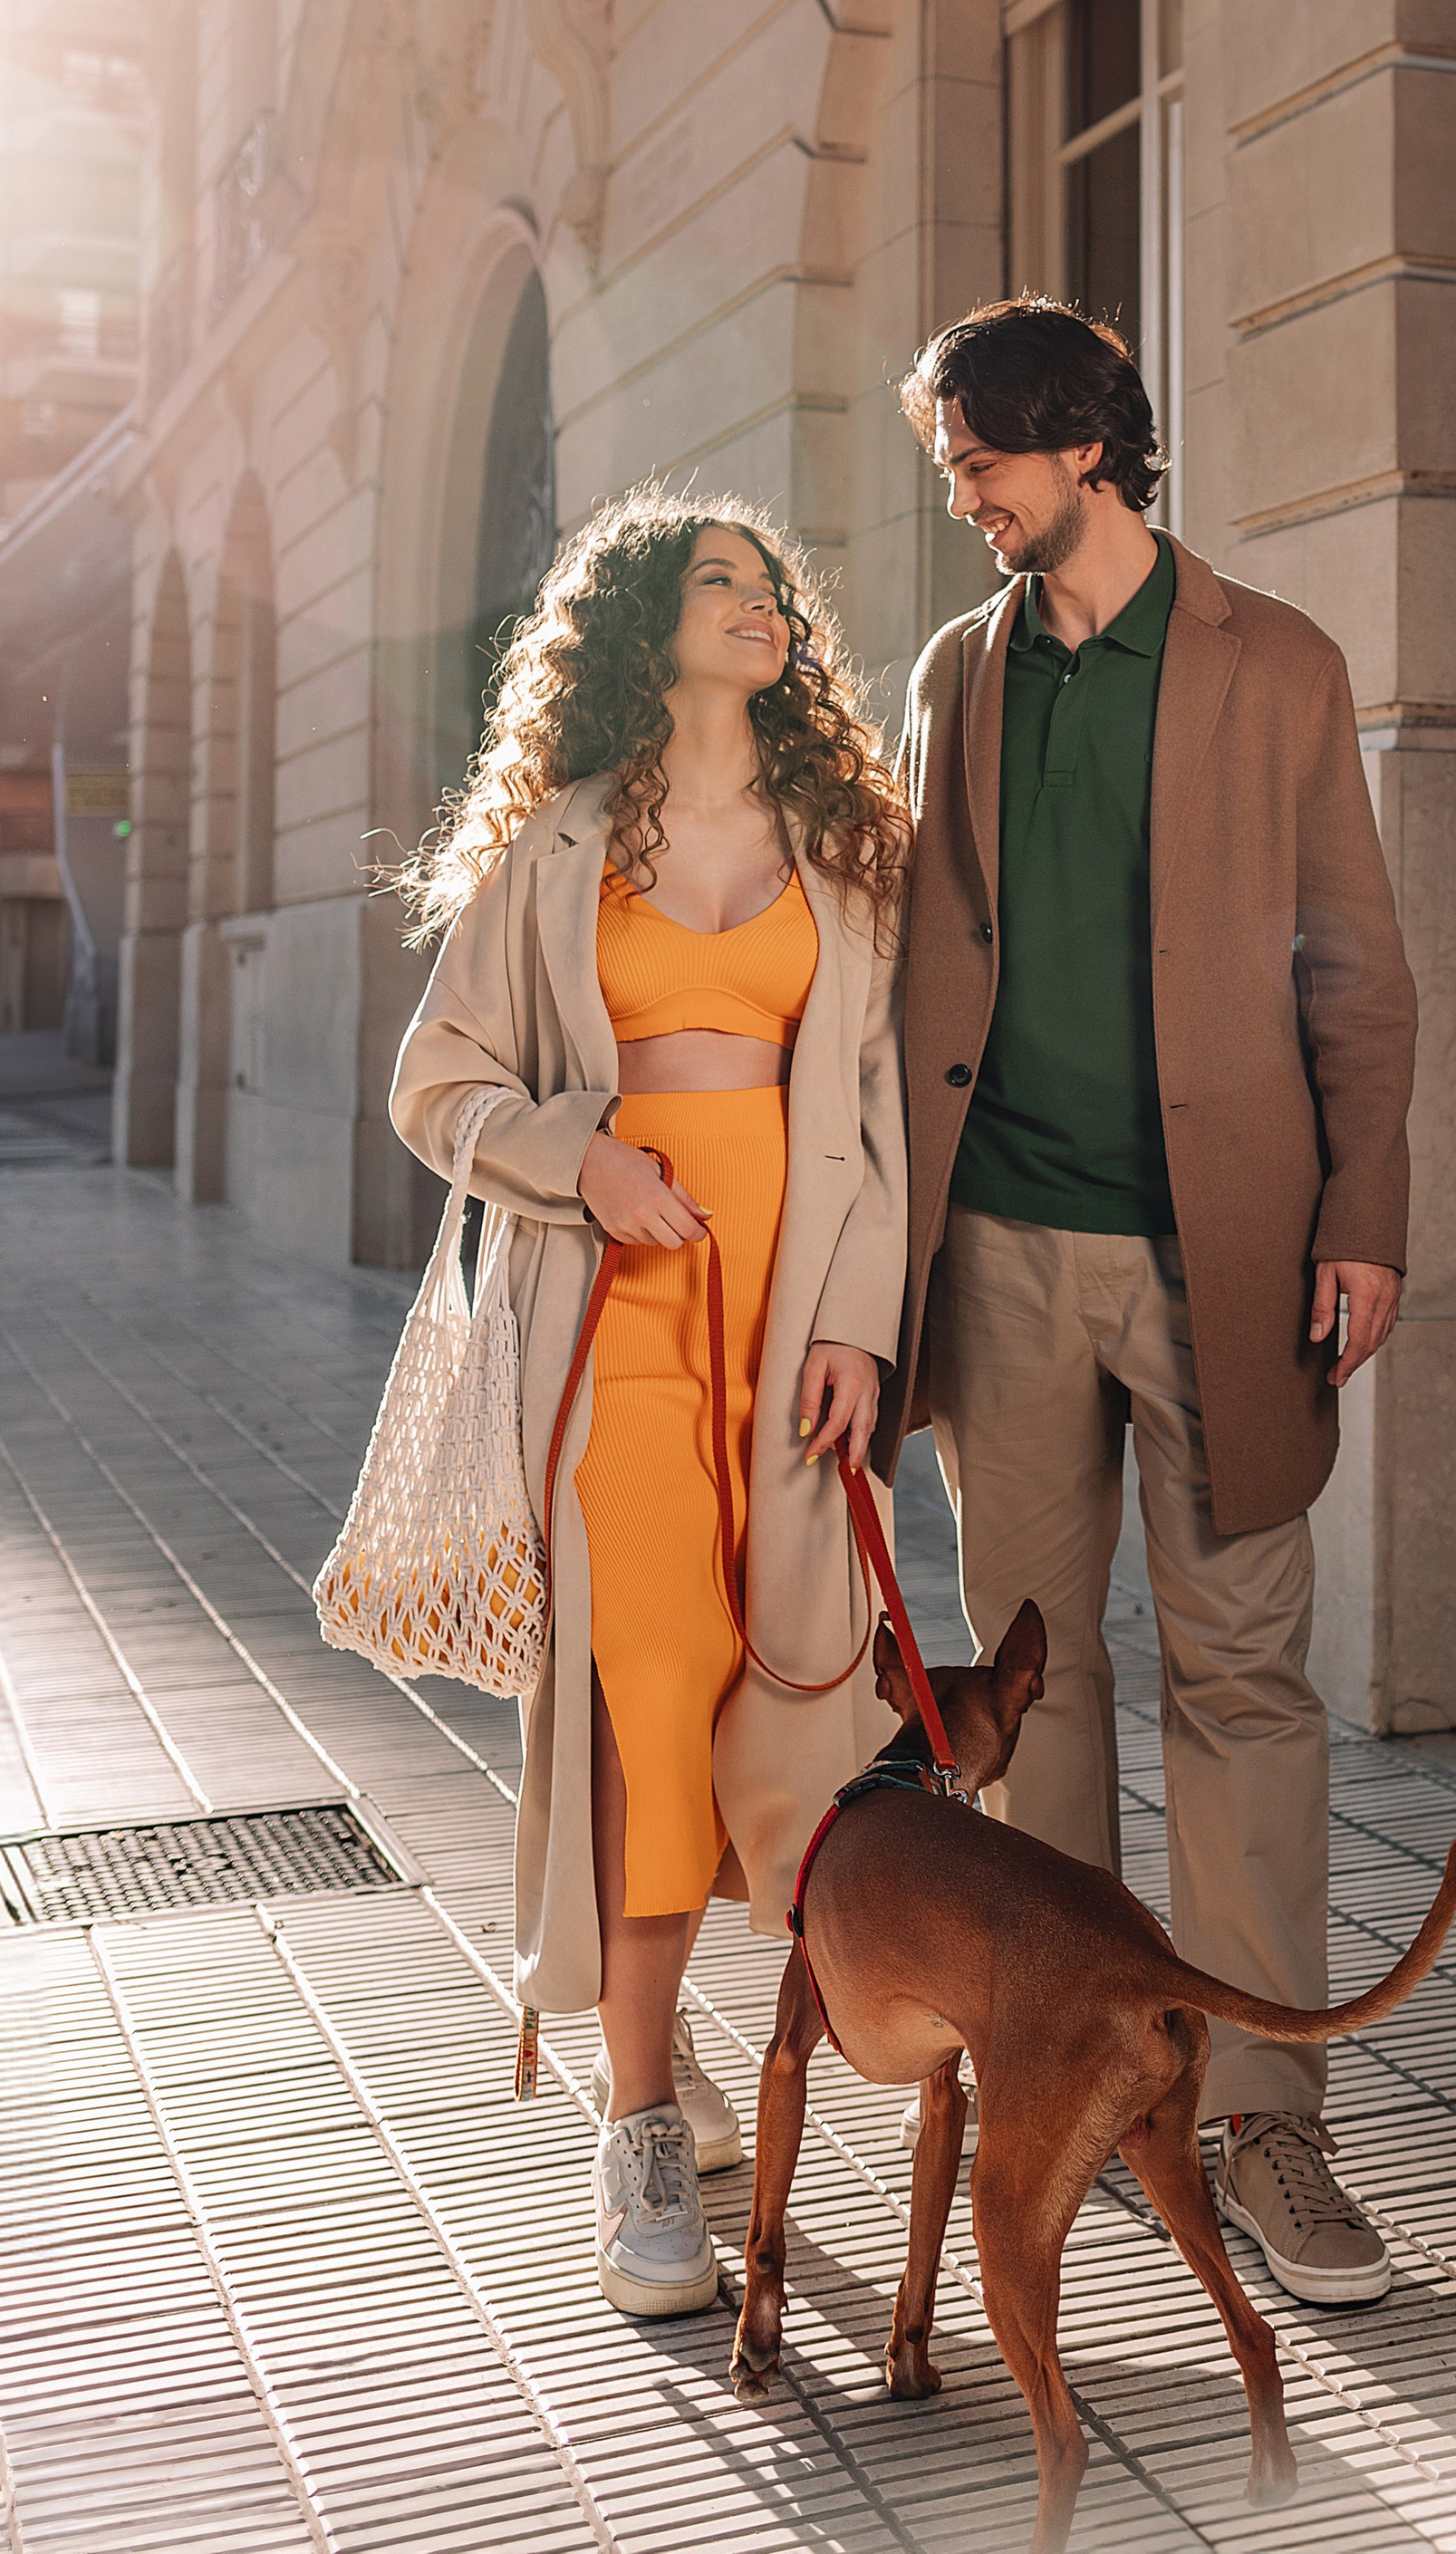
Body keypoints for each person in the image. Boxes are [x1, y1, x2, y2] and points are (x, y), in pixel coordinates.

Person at [891, 298, 1419, 2308]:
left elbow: (1355, 966)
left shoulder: (1274, 662)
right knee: (1030, 1692)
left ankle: (1271, 2119)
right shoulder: (959, 672)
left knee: (1241, 1680)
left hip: (1226, 1252)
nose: (963, 495)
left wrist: (1363, 1213)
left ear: (1081, 446)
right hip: (1003, 1250)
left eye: (979, 461)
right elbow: (920, 952)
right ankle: (1097, 2077)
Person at [390, 487, 908, 2318]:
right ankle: (634, 2124)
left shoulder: (847, 847)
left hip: (790, 1327)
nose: (758, 606)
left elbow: (879, 1118)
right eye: (717, 581)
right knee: (644, 1703)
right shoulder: (557, 843)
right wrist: (580, 1157)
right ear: (639, 623)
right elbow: (433, 1084)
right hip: (616, 1319)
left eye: (772, 587)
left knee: (788, 1695)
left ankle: (683, 2029)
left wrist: (860, 1329)